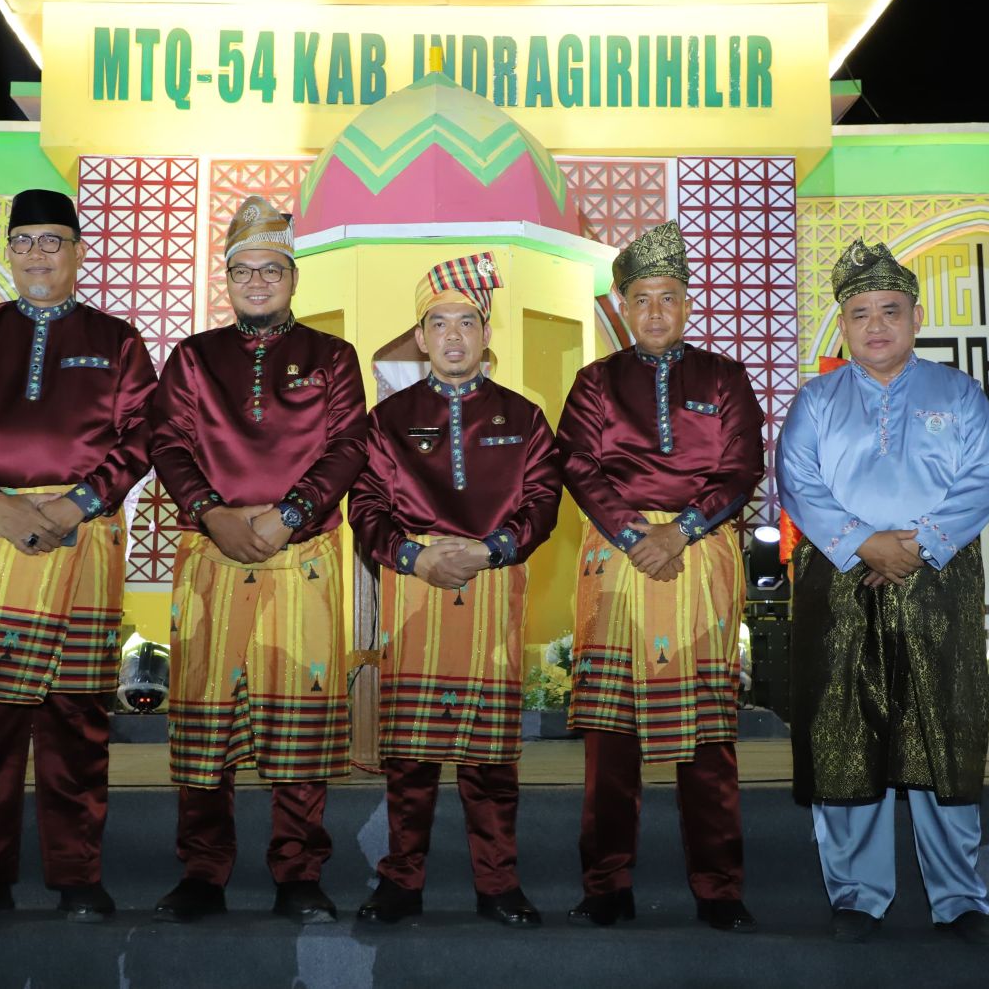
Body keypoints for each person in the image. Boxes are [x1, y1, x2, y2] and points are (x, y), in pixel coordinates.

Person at [0, 187, 157, 925]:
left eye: (52, 240)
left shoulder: (117, 340)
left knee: (76, 720)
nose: (37, 254)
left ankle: (78, 878)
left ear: (78, 251)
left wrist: (77, 503)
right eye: (23, 241)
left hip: (81, 539)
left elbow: (143, 434)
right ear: (10, 252)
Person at [775, 238, 989, 949]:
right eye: (860, 313)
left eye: (890, 310)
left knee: (942, 731)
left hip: (938, 579)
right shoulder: (816, 400)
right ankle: (857, 895)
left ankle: (959, 899)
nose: (875, 325)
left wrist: (918, 544)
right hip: (840, 582)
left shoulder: (958, 393)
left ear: (916, 317)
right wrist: (862, 543)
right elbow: (798, 482)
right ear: (842, 325)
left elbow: (985, 476)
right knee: (846, 731)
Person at [150, 195, 369, 924]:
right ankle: (202, 872)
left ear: (293, 277)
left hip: (300, 557)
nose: (256, 281)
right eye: (242, 270)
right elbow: (168, 442)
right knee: (204, 718)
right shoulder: (192, 357)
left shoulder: (332, 357)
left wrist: (288, 515)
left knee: (300, 713)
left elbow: (349, 445)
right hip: (211, 555)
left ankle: (299, 872)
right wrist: (212, 513)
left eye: (270, 269)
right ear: (227, 278)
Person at [553, 220, 765, 932]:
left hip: (699, 560)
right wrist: (634, 534)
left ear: (686, 302)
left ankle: (720, 888)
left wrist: (681, 531)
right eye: (640, 299)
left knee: (708, 741)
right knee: (610, 741)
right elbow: (577, 464)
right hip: (617, 563)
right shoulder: (594, 382)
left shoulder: (724, 378)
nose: (653, 312)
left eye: (667, 297)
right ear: (623, 305)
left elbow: (741, 467)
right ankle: (606, 885)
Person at [347, 253, 561, 927]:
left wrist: (491, 548)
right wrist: (413, 556)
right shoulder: (386, 420)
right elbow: (365, 508)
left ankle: (498, 884)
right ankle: (400, 881)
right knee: (409, 756)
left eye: (466, 321)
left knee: (491, 758)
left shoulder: (525, 417)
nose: (453, 336)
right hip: (414, 592)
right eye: (438, 323)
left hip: (493, 591)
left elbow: (543, 502)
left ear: (486, 331)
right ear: (420, 337)